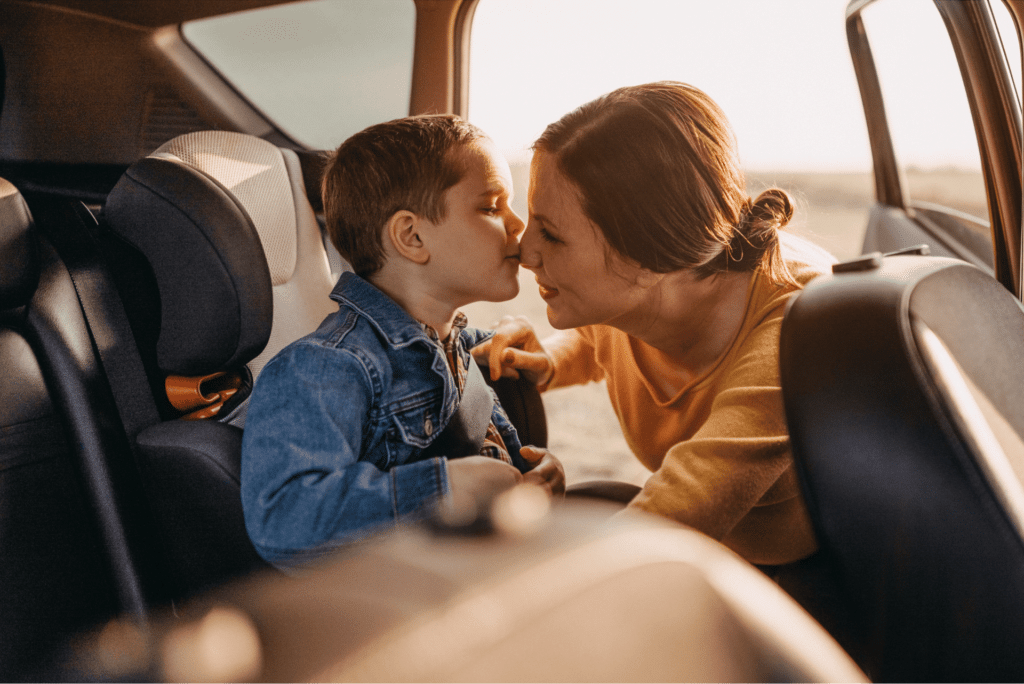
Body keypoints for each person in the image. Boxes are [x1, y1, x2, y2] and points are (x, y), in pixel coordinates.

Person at [476, 82, 835, 568]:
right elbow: (601, 337)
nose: (524, 251)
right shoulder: (641, 289)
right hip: (712, 554)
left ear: (647, 259)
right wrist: (552, 358)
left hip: (808, 579)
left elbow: (676, 509)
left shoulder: (793, 336)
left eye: (552, 234)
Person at [241, 115, 565, 569]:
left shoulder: (461, 349)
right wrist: (440, 488)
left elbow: (494, 461)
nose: (518, 225)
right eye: (492, 207)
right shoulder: (326, 367)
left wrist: (534, 476)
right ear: (412, 237)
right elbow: (284, 519)